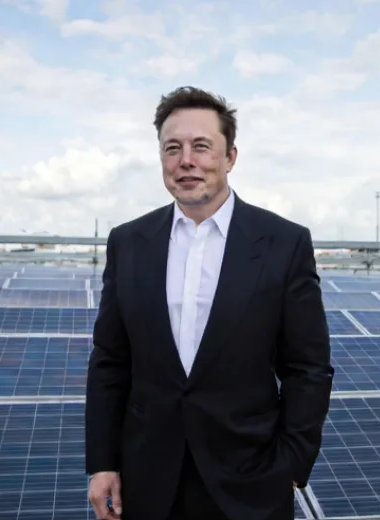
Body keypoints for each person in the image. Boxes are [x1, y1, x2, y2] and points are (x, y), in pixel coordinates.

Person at [86, 86, 334, 520]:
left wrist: (293, 463)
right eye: (172, 148)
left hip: (250, 482)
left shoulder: (284, 243)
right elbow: (110, 360)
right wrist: (103, 462)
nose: (186, 160)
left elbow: (308, 367)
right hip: (147, 482)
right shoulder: (128, 242)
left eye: (201, 146)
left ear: (230, 157)